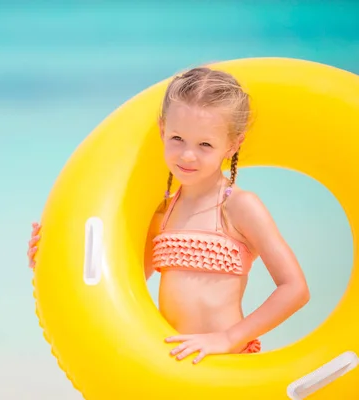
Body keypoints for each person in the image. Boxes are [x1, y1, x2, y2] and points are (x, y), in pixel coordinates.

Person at [26, 67, 310, 364]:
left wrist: (228, 338)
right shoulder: (162, 213)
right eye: (177, 138)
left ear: (232, 144)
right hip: (172, 366)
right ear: (162, 130)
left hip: (228, 362)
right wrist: (48, 260)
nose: (187, 155)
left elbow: (295, 289)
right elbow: (116, 282)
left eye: (205, 144)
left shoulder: (239, 207)